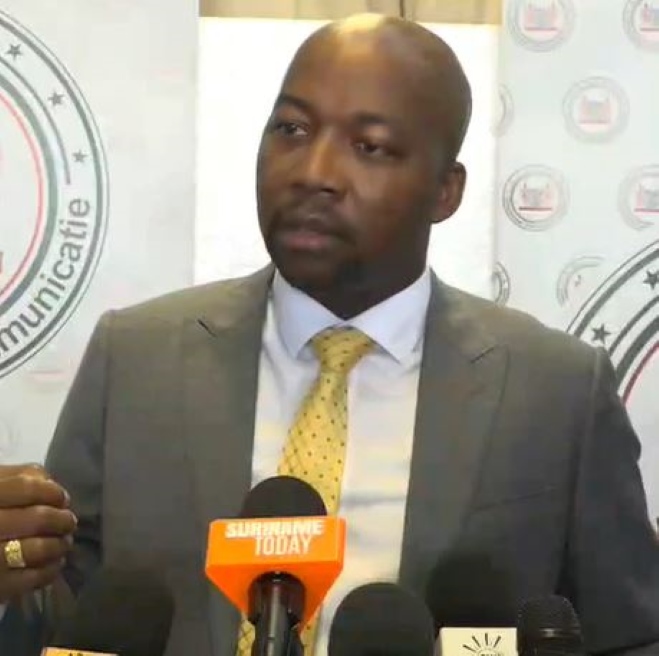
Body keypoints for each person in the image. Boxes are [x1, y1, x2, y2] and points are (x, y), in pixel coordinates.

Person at [1, 12, 658, 656]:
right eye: (291, 129)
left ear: (445, 192)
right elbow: (58, 619)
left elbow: (631, 634)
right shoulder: (135, 358)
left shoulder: (557, 392)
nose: (313, 171)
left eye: (369, 146)